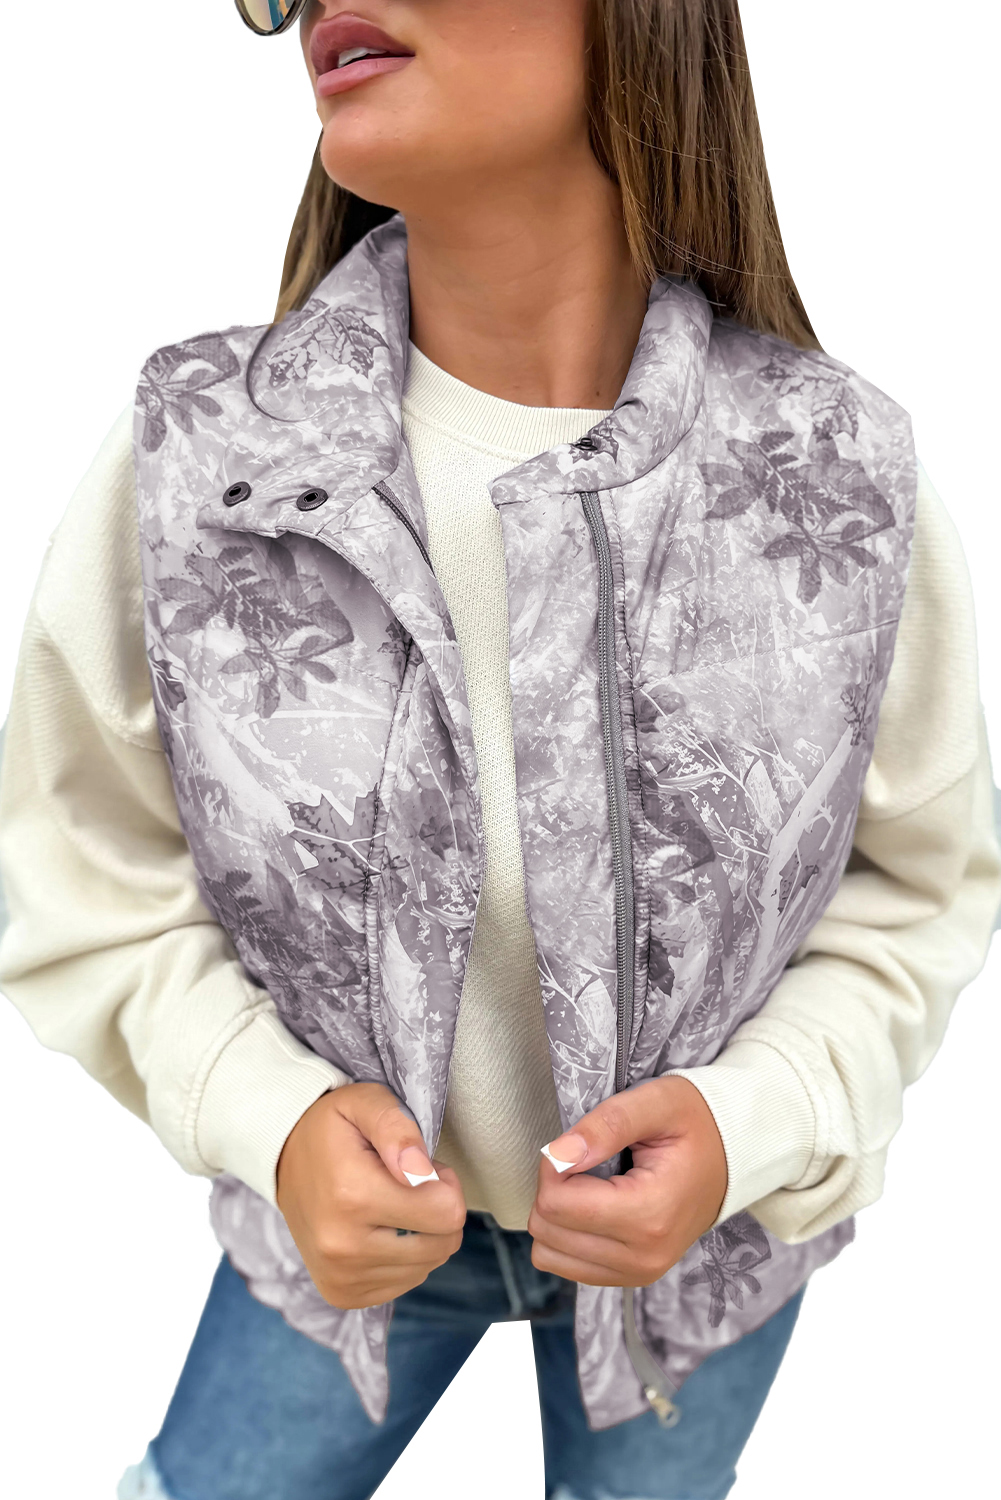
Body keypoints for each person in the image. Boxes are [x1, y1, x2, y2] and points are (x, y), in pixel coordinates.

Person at [0, 3, 997, 1497]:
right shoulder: (205, 457)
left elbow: (916, 892)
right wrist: (276, 1123)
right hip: (333, 1253)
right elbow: (81, 871)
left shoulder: (833, 472)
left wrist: (747, 1125)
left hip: (701, 1260)